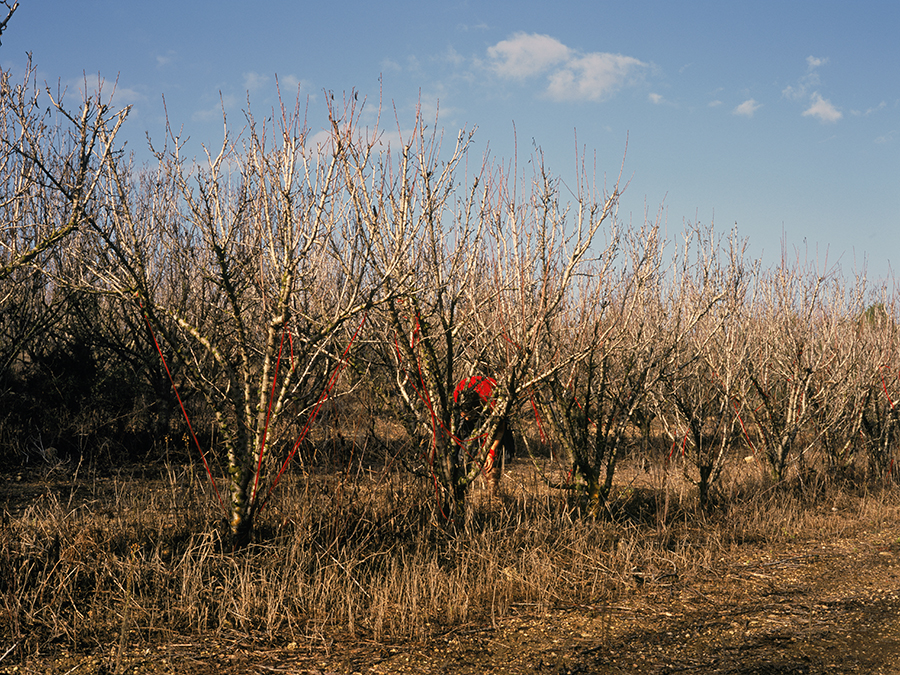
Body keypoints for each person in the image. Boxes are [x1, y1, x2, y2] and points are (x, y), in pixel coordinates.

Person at [453, 375, 515, 497]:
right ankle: (459, 491)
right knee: (459, 455)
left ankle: (493, 494)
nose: (467, 419)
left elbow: (500, 428)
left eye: (469, 416)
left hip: (490, 414)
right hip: (467, 418)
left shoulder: (492, 402)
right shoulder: (457, 396)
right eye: (464, 415)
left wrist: (491, 452)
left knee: (494, 458)